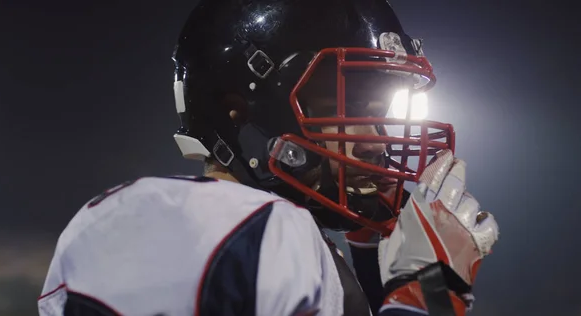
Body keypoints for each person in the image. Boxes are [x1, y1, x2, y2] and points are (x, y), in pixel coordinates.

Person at [38, 0, 499, 315]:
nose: (377, 141)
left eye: (384, 115)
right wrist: (430, 294)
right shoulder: (203, 224)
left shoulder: (292, 240)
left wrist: (383, 270)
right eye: (353, 107)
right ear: (240, 107)